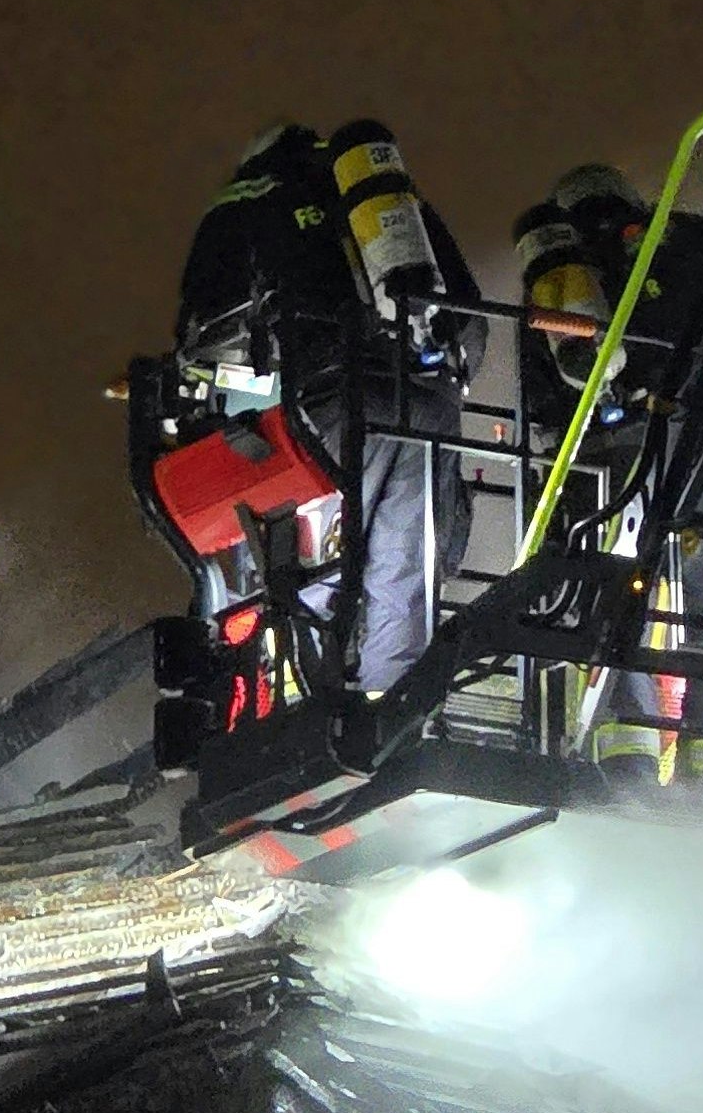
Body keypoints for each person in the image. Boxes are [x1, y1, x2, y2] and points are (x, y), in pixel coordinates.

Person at [134, 122, 484, 765]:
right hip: (429, 401)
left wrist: (202, 386)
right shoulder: (393, 200)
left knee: (311, 563)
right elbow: (466, 312)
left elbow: (207, 328)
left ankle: (302, 720)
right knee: (403, 572)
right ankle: (393, 724)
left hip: (325, 405)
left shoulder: (245, 202)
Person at [509, 163, 703, 793]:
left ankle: (626, 750)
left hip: (610, 455)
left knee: (613, 590)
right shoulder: (684, 246)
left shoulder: (561, 274)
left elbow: (544, 390)